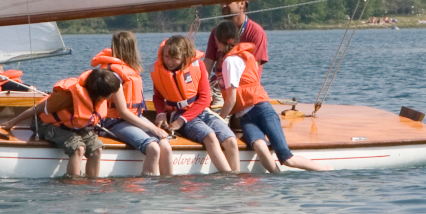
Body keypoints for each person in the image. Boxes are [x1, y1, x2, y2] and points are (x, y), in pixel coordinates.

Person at [211, 20, 328, 173]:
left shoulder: (230, 61)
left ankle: (326, 170)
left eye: (217, 41)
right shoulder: (238, 57)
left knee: (287, 158)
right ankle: (277, 177)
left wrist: (219, 121)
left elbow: (231, 99)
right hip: (245, 117)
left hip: (262, 110)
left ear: (224, 41)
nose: (216, 45)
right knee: (260, 146)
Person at [4, 67, 122, 178]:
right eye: (110, 95)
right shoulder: (66, 96)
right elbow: (38, 108)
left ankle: (92, 185)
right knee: (78, 148)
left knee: (97, 148)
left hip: (70, 126)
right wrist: (13, 122)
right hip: (44, 125)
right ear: (98, 94)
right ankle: (73, 184)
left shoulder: (94, 98)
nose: (112, 97)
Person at [90, 32, 173, 176]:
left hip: (134, 117)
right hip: (114, 121)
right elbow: (122, 112)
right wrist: (153, 128)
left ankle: (168, 184)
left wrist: (155, 129)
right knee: (153, 148)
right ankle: (151, 185)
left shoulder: (128, 70)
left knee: (165, 144)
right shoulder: (113, 74)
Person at [151, 34, 237, 173]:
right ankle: (228, 176)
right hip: (177, 113)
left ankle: (235, 178)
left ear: (184, 56)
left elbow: (205, 98)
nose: (169, 61)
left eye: (174, 58)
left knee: (231, 139)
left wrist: (182, 121)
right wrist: (161, 114)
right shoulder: (160, 71)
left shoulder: (199, 66)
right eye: (166, 56)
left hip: (201, 112)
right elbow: (157, 97)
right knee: (210, 136)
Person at [201, 0, 268, 69]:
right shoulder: (217, 32)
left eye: (227, 2)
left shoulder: (256, 32)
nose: (223, 6)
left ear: (242, 3)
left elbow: (254, 68)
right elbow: (207, 64)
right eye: (221, 3)